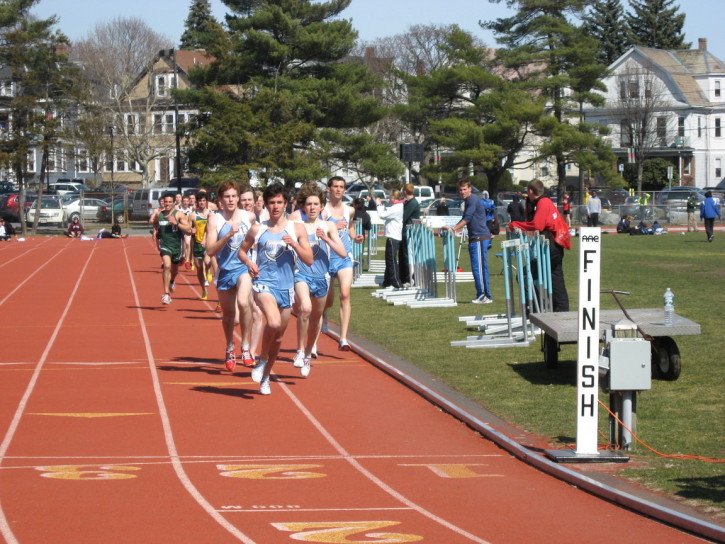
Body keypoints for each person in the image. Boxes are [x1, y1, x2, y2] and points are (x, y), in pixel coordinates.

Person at [238, 183, 313, 395]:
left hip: (286, 288)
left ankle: (265, 376)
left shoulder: (296, 228)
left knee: (278, 337)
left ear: (286, 204)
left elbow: (309, 259)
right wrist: (250, 264)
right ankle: (261, 359)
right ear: (266, 205)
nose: (275, 206)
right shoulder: (258, 229)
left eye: (279, 202)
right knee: (273, 321)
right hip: (263, 284)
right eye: (272, 203)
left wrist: (295, 245)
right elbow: (242, 252)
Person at [289, 182, 347, 376]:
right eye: (308, 204)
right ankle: (298, 350)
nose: (312, 207)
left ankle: (307, 354)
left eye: (316, 204)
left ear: (322, 206)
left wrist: (327, 239)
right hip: (301, 274)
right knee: (304, 309)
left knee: (316, 319)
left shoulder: (328, 226)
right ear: (303, 207)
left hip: (322, 277)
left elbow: (342, 253)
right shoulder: (297, 226)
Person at [205, 181, 257, 370]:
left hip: (243, 268)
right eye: (227, 196)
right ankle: (229, 347)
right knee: (228, 316)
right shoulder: (215, 219)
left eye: (234, 196)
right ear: (220, 200)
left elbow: (258, 237)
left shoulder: (248, 216)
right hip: (225, 271)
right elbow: (210, 250)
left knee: (244, 302)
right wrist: (227, 235)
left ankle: (245, 347)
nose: (231, 200)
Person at [509, 179, 569, 312]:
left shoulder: (543, 202)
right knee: (555, 279)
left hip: (552, 245)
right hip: (554, 245)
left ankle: (536, 308)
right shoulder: (544, 201)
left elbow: (538, 225)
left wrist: (516, 224)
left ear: (530, 191)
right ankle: (558, 309)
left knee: (525, 275)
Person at [322, 176, 364, 351]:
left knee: (345, 294)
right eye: (335, 186)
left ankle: (343, 338)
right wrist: (331, 227)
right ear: (328, 189)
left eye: (341, 187)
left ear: (345, 190)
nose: (338, 189)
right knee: (328, 300)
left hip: (344, 257)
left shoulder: (350, 210)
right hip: (326, 258)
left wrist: (355, 237)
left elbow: (350, 226)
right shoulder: (322, 210)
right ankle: (323, 314)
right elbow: (317, 229)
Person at [446, 179, 493, 304]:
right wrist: (454, 228)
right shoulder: (467, 201)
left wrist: (454, 229)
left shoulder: (472, 199)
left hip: (479, 237)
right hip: (476, 237)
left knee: (479, 268)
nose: (462, 192)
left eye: (464, 189)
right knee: (478, 267)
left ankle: (484, 295)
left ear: (470, 189)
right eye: (460, 190)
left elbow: (467, 218)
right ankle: (482, 294)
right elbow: (465, 218)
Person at [152, 192, 192, 305]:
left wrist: (177, 224)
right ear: (163, 202)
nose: (167, 204)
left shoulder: (179, 214)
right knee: (167, 265)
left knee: (174, 270)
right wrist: (155, 231)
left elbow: (188, 229)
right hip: (164, 245)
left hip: (177, 247)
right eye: (166, 202)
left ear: (174, 202)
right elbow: (155, 223)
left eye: (170, 202)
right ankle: (166, 294)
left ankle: (172, 281)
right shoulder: (159, 214)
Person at [377, 189, 404, 289]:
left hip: (394, 236)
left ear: (394, 197)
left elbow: (382, 215)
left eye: (390, 196)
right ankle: (387, 281)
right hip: (392, 236)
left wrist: (379, 205)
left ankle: (396, 282)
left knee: (391, 260)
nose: (389, 198)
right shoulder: (396, 206)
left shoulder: (397, 207)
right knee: (389, 260)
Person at [190, 191, 213, 301]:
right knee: (199, 268)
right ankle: (204, 289)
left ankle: (208, 270)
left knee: (208, 262)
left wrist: (206, 238)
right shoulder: (193, 215)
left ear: (206, 202)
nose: (202, 203)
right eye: (200, 201)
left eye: (204, 200)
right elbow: (187, 229)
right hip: (197, 244)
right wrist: (190, 230)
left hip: (208, 243)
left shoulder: (211, 214)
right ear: (197, 203)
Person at [399, 183, 420, 287]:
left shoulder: (412, 203)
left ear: (405, 192)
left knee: (408, 256)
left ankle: (408, 278)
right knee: (403, 256)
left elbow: (403, 217)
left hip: (409, 233)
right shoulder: (409, 202)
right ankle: (404, 278)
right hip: (405, 233)